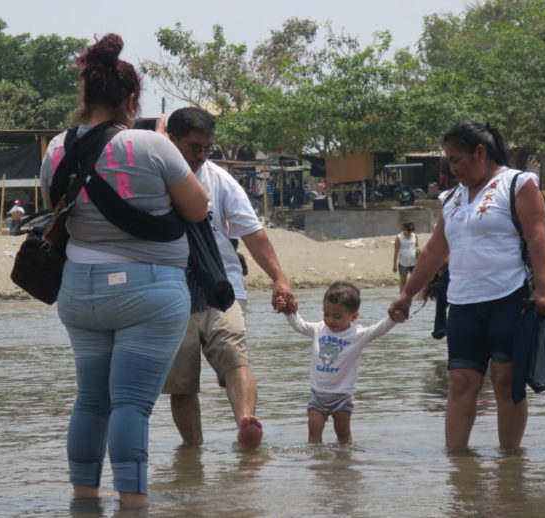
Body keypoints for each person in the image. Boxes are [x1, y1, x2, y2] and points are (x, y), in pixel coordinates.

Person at [38, 34, 210, 507]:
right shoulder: (151, 145)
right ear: (132, 99)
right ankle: (134, 505)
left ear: (85, 95)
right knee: (131, 403)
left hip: (79, 293)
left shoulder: (56, 148)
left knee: (91, 400)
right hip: (148, 292)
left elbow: (57, 208)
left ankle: (84, 499)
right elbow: (197, 208)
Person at [388, 120, 545, 451]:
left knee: (506, 382)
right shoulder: (451, 198)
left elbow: (538, 237)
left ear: (480, 152)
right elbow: (437, 249)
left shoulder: (518, 184)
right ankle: (457, 464)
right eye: (449, 160)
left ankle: (510, 465)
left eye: (456, 159)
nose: (452, 169)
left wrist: (543, 290)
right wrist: (407, 294)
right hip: (462, 304)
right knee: (461, 381)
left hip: (510, 300)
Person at [161, 106, 296, 452]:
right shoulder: (151, 177)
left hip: (222, 289)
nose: (202, 156)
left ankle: (245, 424)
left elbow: (253, 233)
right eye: (194, 148)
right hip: (169, 291)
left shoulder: (219, 180)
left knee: (235, 357)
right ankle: (194, 449)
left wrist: (279, 279)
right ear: (170, 141)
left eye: (208, 149)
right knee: (182, 382)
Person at [276, 281, 396, 444]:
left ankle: (344, 466)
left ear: (353, 316)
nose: (330, 320)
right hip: (318, 395)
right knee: (314, 431)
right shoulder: (318, 329)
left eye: (337, 316)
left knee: (343, 435)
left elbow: (379, 329)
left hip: (342, 397)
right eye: (326, 314)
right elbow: (299, 325)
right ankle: (316, 464)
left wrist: (394, 318)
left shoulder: (358, 335)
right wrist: (288, 311)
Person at [393, 220, 419, 293]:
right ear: (404, 228)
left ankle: (412, 295)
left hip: (414, 262)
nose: (410, 232)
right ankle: (401, 296)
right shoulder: (399, 238)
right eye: (408, 231)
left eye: (411, 231)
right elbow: (396, 252)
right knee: (403, 281)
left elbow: (417, 248)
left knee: (414, 280)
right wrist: (394, 265)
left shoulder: (414, 236)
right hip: (403, 262)